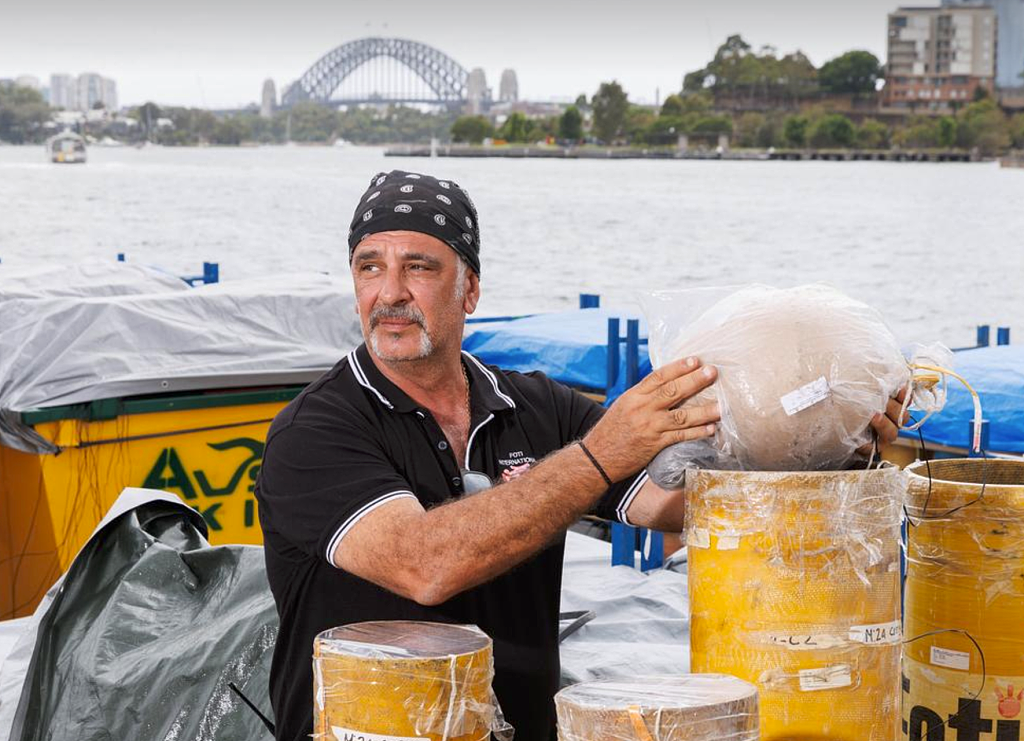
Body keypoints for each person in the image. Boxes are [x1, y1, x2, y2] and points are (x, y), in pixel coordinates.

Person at [254, 170, 906, 741]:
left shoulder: (539, 407)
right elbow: (425, 563)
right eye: (370, 266)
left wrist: (830, 442)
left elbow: (670, 505)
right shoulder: (315, 430)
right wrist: (598, 454)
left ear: (470, 289)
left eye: (419, 266)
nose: (389, 291)